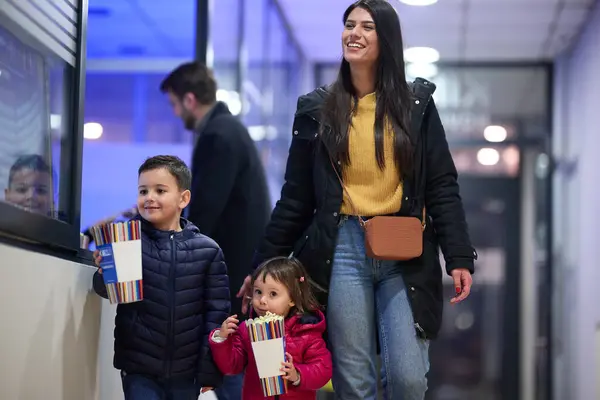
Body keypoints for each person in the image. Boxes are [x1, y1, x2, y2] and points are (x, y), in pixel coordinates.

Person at [237, 1, 477, 399]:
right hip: (341, 248)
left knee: (407, 379)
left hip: (404, 249)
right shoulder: (316, 108)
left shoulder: (415, 105)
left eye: (367, 27)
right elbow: (296, 198)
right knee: (354, 382)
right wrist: (263, 264)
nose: (355, 33)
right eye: (350, 25)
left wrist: (459, 256)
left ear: (387, 40)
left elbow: (441, 185)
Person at [160, 62, 271, 399]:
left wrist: (174, 248)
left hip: (231, 272)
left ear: (190, 99)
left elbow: (206, 208)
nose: (177, 114)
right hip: (240, 267)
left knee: (230, 364)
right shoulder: (229, 129)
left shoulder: (218, 135)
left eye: (175, 105)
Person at [91, 155, 230, 400]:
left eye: (160, 190)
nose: (149, 197)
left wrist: (210, 372)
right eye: (143, 190)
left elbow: (216, 315)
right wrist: (104, 272)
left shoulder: (208, 251)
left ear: (183, 198)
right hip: (138, 368)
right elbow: (107, 290)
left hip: (187, 373)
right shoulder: (127, 241)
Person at [210, 257, 332, 400]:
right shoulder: (247, 330)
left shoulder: (306, 332)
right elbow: (231, 367)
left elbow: (323, 369)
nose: (262, 300)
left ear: (292, 298)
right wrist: (222, 339)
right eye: (258, 292)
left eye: (273, 294)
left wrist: (297, 374)